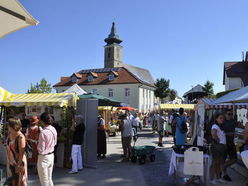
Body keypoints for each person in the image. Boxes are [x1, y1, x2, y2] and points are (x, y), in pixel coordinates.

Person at [37, 112, 57, 186]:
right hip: (51, 155)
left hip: (43, 157)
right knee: (49, 179)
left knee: (44, 182)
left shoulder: (43, 133)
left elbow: (41, 149)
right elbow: (55, 143)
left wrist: (37, 144)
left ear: (42, 121)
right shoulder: (53, 129)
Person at [5, 118, 27, 186]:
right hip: (11, 162)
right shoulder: (10, 135)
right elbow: (8, 146)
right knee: (12, 182)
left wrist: (18, 165)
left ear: (13, 126)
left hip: (19, 162)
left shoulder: (20, 137)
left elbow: (21, 153)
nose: (7, 126)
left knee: (20, 182)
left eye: (8, 125)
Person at [209, 113, 228, 185]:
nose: (222, 119)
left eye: (223, 118)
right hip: (217, 146)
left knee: (218, 163)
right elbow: (213, 134)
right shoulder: (215, 126)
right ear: (216, 119)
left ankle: (218, 178)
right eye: (220, 118)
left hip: (220, 147)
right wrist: (218, 140)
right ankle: (212, 179)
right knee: (215, 163)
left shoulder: (219, 126)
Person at [222, 110, 238, 181]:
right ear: (225, 114)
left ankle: (222, 167)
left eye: (231, 114)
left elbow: (238, 126)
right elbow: (220, 133)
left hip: (231, 142)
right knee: (223, 159)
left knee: (234, 159)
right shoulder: (222, 122)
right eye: (229, 114)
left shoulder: (233, 121)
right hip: (224, 143)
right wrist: (228, 134)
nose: (230, 115)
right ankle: (225, 174)